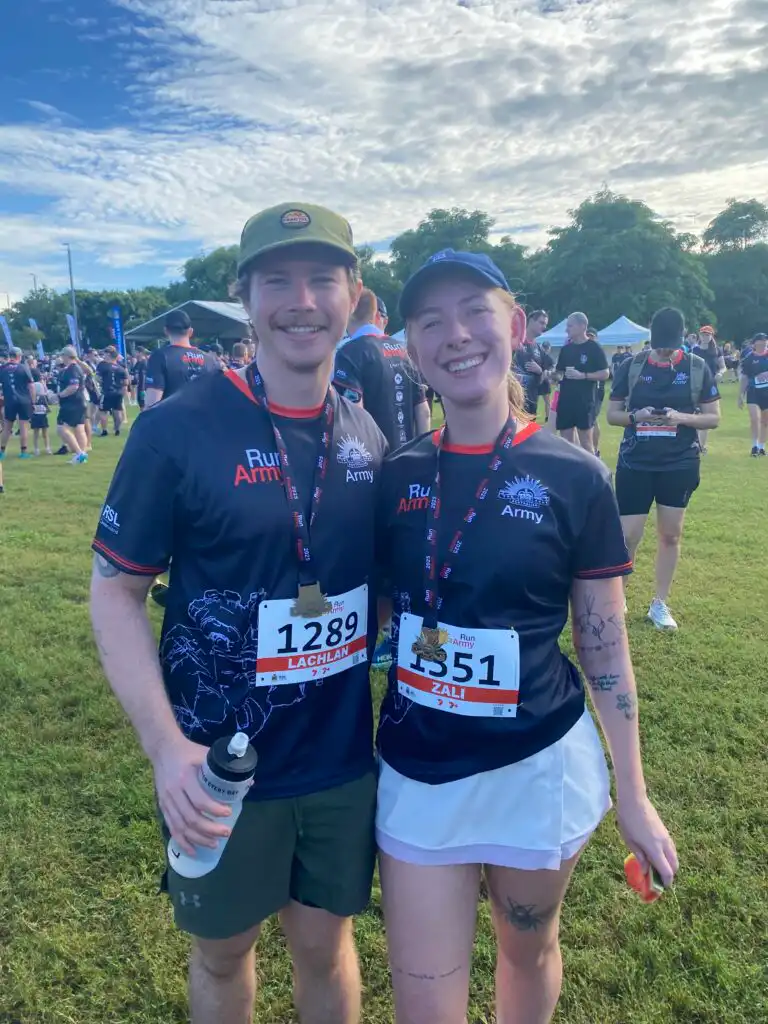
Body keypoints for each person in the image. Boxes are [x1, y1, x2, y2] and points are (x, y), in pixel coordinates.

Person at [90, 202, 387, 1024]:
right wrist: (166, 751)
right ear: (244, 298)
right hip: (216, 772)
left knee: (326, 952)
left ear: (353, 294)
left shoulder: (364, 432)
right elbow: (115, 592)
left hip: (337, 762)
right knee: (223, 959)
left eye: (322, 278)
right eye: (277, 281)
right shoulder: (174, 430)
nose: (301, 300)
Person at [374, 248, 678, 1024]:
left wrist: (634, 796)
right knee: (424, 997)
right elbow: (370, 613)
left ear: (514, 325)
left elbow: (604, 642)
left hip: (537, 768)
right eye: (430, 321)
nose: (456, 335)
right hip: (420, 770)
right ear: (411, 350)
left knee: (527, 951)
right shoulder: (395, 475)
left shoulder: (574, 475)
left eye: (475, 311)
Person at [607, 308, 721, 630]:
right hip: (635, 461)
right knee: (628, 535)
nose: (665, 352)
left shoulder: (697, 367)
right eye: (660, 346)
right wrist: (636, 416)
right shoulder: (633, 366)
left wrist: (680, 418)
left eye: (670, 347)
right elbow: (612, 414)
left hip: (679, 462)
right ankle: (619, 598)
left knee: (670, 535)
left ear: (681, 340)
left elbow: (713, 417)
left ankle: (660, 603)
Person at [333, 287, 430, 451]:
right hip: (407, 457)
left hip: (373, 460)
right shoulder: (403, 351)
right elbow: (424, 411)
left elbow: (353, 415)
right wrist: (422, 453)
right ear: (374, 314)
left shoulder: (348, 353)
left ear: (348, 310)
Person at [554, 313, 609, 454]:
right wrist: (553, 376)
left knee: (586, 445)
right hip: (566, 401)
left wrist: (583, 376)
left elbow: (605, 373)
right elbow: (559, 372)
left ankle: (591, 474)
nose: (567, 330)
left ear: (582, 326)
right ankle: (570, 474)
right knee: (566, 445)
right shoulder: (566, 349)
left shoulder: (594, 348)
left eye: (570, 326)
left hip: (584, 402)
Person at [144, 310, 219, 407]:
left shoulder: (160, 357)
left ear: (166, 331)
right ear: (191, 331)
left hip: (172, 419)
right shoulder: (209, 360)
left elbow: (152, 403)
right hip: (203, 419)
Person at [692, 327, 725, 453]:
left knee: (707, 415)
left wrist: (720, 373)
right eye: (703, 334)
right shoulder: (694, 350)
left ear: (711, 336)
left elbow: (723, 367)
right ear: (699, 335)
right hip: (696, 385)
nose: (705, 337)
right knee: (695, 414)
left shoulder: (716, 351)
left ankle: (702, 445)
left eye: (707, 335)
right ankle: (695, 442)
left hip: (710, 385)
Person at [55, 346, 89, 464]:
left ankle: (79, 452)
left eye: (62, 356)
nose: (61, 358)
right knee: (79, 429)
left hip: (72, 403)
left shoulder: (72, 369)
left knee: (61, 428)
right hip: (79, 402)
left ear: (66, 356)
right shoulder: (76, 368)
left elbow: (73, 386)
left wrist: (60, 395)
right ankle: (82, 456)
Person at [0, 347, 35, 459]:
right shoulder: (23, 368)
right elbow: (31, 386)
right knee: (24, 426)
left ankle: (2, 451)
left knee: (7, 427)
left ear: (10, 356)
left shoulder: (2, 368)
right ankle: (24, 452)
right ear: (19, 356)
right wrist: (33, 402)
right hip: (24, 400)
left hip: (10, 400)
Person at [513, 309, 548, 418]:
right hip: (514, 401)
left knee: (529, 434)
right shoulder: (515, 342)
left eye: (545, 324)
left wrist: (540, 371)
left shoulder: (538, 348)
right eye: (541, 323)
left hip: (532, 402)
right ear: (531, 321)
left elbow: (543, 378)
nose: (544, 327)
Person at [738, 332, 768, 456]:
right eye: (760, 342)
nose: (763, 344)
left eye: (765, 342)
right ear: (755, 344)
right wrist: (740, 395)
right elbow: (744, 377)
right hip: (753, 392)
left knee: (766, 421)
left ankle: (762, 447)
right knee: (755, 419)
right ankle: (754, 446)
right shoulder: (749, 358)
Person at [96, 346, 130, 437]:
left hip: (107, 391)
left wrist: (103, 382)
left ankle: (104, 430)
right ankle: (117, 429)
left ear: (109, 355)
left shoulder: (102, 365)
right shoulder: (121, 367)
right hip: (118, 392)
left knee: (103, 411)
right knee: (117, 410)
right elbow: (126, 382)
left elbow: (98, 378)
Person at [587, 328, 606, 458]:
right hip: (588, 391)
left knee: (592, 420)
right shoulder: (587, 351)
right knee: (590, 420)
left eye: (592, 336)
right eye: (588, 336)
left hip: (597, 390)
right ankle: (591, 450)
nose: (590, 339)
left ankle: (595, 450)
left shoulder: (598, 351)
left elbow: (604, 373)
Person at [31, 379, 52, 455]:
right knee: (44, 434)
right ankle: (46, 448)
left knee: (38, 434)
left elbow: (47, 407)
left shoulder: (35, 399)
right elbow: (47, 408)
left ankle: (38, 449)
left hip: (37, 416)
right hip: (41, 416)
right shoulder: (41, 398)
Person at [538, 339, 555, 422]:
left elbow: (550, 371)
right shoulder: (548, 358)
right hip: (542, 382)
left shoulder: (539, 356)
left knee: (546, 401)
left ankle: (547, 418)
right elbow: (550, 371)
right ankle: (547, 418)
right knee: (546, 402)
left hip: (541, 382)